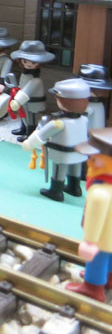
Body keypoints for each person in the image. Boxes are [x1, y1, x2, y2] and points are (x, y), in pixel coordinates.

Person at [21, 79, 90, 202]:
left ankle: (55, 191)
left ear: (63, 101)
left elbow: (42, 134)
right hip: (80, 152)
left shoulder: (59, 123)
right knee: (75, 167)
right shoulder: (84, 120)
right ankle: (75, 188)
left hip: (62, 153)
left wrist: (29, 143)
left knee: (59, 170)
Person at [65, 128, 112, 301]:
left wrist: (90, 242)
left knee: (97, 258)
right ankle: (109, 277)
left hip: (103, 238)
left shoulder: (99, 192)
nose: (89, 163)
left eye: (93, 159)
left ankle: (93, 287)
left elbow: (95, 218)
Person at [7, 41, 55, 140]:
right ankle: (23, 128)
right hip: (23, 100)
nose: (28, 64)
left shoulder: (36, 80)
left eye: (33, 62)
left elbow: (27, 89)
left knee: (30, 119)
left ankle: (30, 133)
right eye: (25, 61)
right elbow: (23, 85)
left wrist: (18, 100)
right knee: (23, 114)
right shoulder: (25, 74)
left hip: (32, 102)